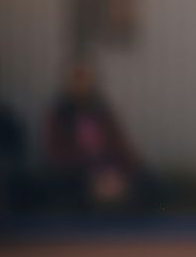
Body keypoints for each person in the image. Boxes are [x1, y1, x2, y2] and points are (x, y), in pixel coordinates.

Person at [45, 61, 144, 211]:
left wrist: (126, 168)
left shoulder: (102, 111)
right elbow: (57, 152)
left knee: (143, 183)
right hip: (78, 172)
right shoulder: (60, 115)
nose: (81, 84)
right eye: (77, 79)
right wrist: (92, 173)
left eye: (85, 79)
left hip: (109, 168)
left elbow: (120, 143)